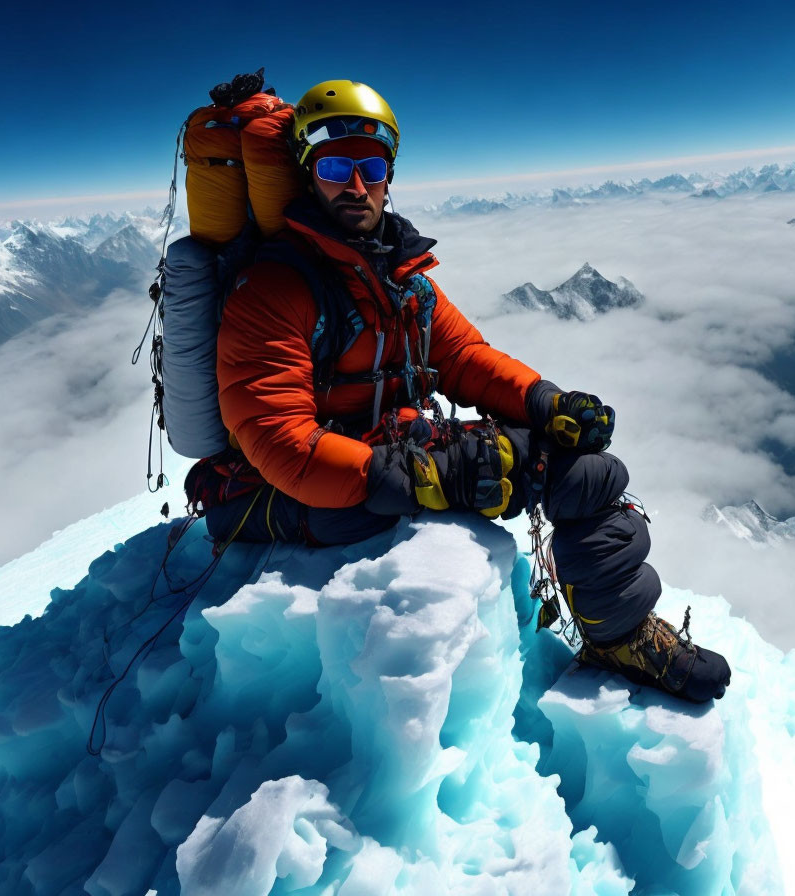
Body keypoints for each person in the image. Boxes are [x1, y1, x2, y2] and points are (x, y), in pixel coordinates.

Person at [185, 80, 730, 703]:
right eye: (337, 167)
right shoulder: (276, 287)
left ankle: (621, 634)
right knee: (511, 469)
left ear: (390, 174)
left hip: (382, 454)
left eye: (371, 165)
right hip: (282, 494)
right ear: (310, 175)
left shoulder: (398, 277)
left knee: (581, 469)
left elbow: (463, 357)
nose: (356, 185)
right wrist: (421, 477)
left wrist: (544, 402)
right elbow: (281, 443)